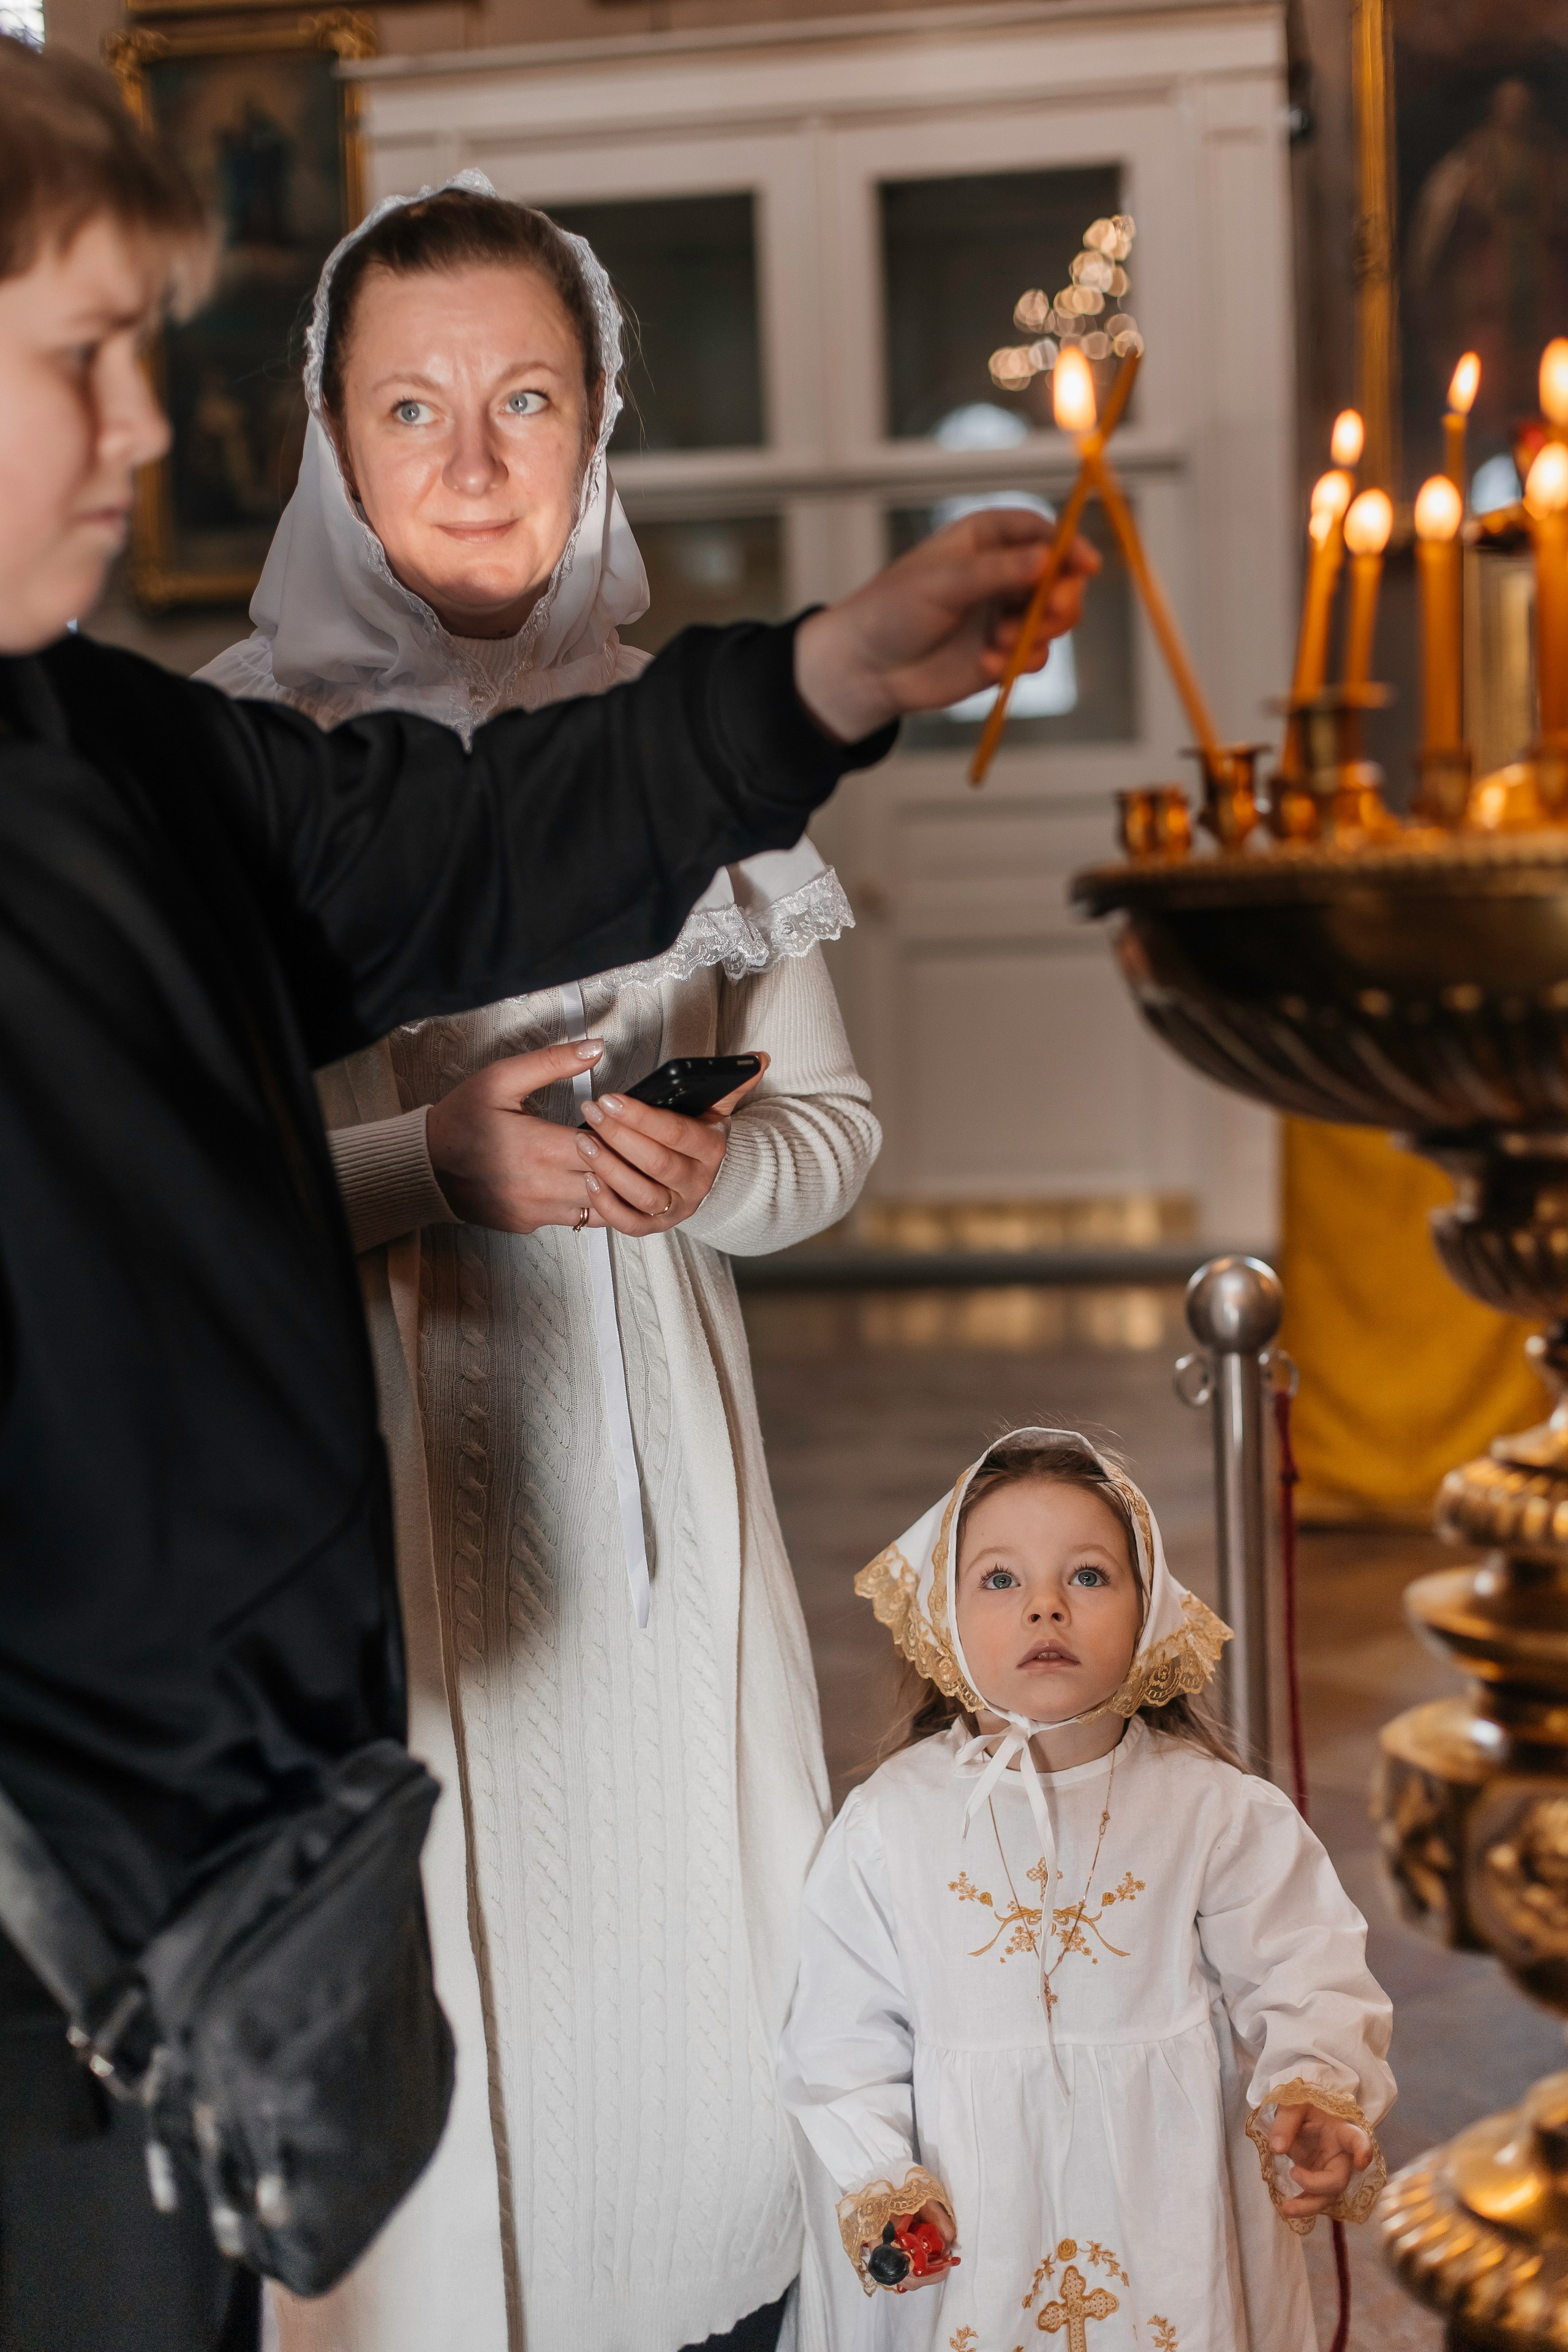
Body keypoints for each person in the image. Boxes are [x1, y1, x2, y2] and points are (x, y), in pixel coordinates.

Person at [0, 36, 1093, 2352]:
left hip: (380, 1676)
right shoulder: (191, 732)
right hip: (134, 1806)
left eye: (529, 400)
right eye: (85, 356)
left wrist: (824, 675)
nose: (141, 429)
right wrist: (430, 1168)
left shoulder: (107, 747)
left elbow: (485, 845)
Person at [200, 178, 880, 2352]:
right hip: (365, 1484)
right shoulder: (222, 768)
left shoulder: (710, 751)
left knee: (680, 2037)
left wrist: (716, 1182)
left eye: (528, 399)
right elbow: (169, 1192)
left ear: (601, 425)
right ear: (331, 439)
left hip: (652, 1485)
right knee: (435, 2045)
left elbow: (832, 1137)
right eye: (415, 409)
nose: (475, 461)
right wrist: (431, 1168)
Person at [780, 1428, 1395, 2349]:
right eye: (999, 1580)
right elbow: (839, 2039)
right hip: (970, 2211)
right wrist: (882, 2177)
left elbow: (1303, 1963)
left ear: (1151, 1611)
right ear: (939, 1617)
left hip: (1166, 2198)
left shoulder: (1212, 1810)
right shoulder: (891, 1825)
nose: (1045, 1609)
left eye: (1088, 1576)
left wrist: (1314, 2085)